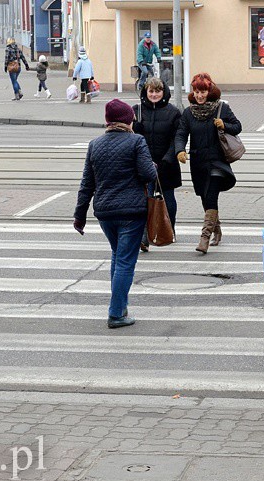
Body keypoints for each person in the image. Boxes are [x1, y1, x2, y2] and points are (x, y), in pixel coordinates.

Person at [73, 100, 157, 329]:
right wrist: (153, 165)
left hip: (105, 213)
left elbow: (86, 184)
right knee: (125, 263)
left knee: (117, 256)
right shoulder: (136, 141)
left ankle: (121, 305)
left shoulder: (95, 144)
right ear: (128, 120)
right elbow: (148, 174)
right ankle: (116, 313)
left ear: (108, 121)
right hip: (132, 212)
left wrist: (79, 216)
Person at [175, 72, 242, 254]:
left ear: (209, 90)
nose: (199, 95)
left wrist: (224, 125)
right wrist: (180, 150)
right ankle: (217, 229)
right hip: (198, 162)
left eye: (203, 91)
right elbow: (181, 133)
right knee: (205, 198)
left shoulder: (222, 108)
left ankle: (204, 237)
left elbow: (238, 126)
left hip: (217, 162)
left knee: (211, 195)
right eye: (196, 91)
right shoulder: (189, 113)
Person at [132, 77, 182, 251]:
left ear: (164, 92)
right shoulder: (137, 110)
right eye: (151, 91)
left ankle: (169, 230)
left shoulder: (173, 112)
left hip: (166, 164)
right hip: (143, 163)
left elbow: (177, 138)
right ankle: (144, 236)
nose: (154, 94)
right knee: (144, 201)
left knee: (167, 199)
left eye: (157, 91)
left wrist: (168, 159)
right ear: (145, 92)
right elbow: (132, 138)